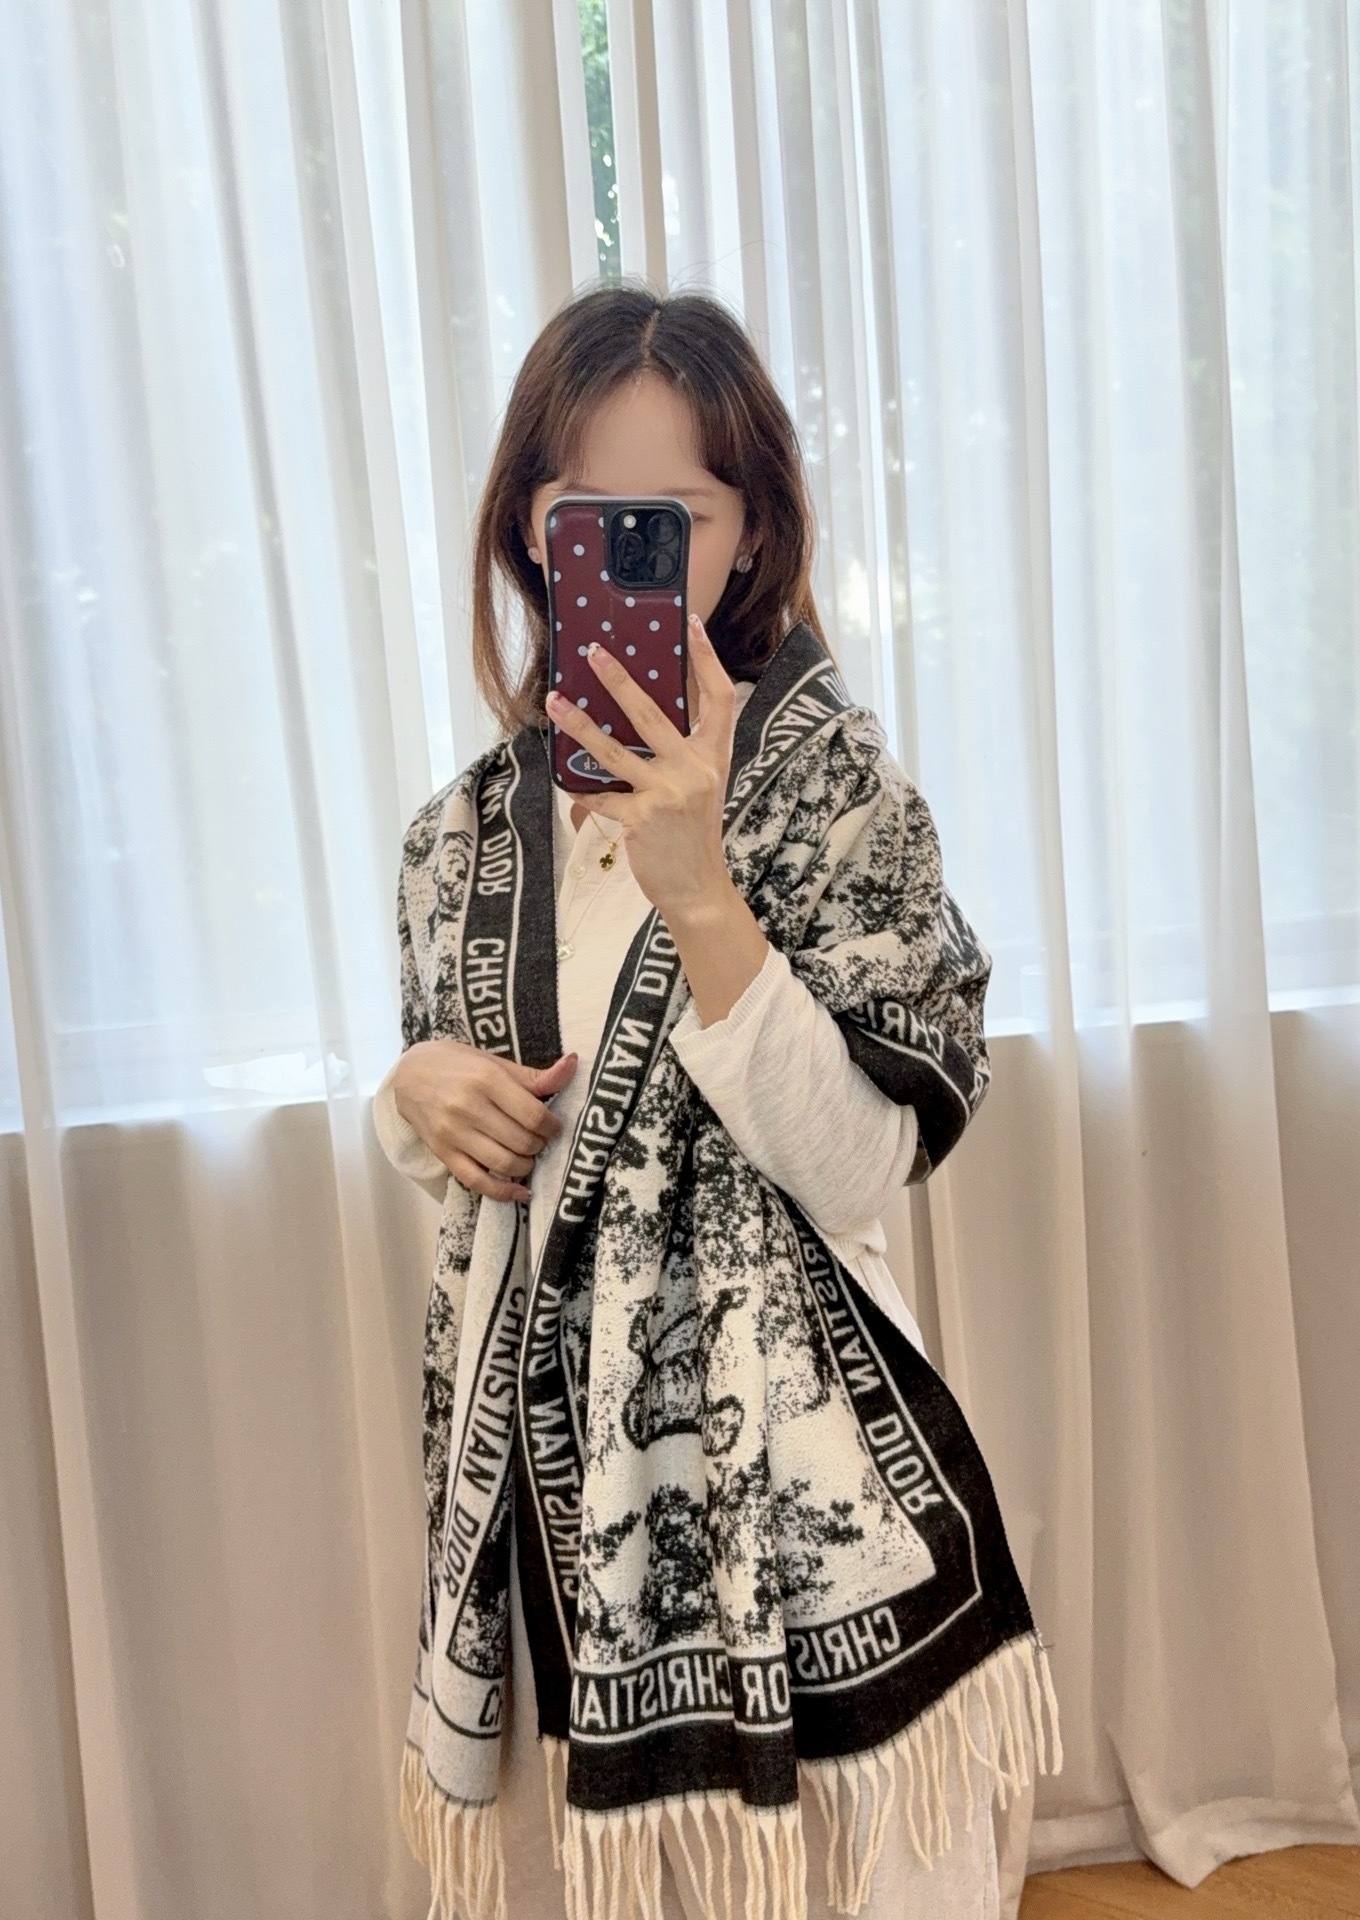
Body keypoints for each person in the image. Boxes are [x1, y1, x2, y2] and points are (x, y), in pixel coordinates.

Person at [373, 286, 1060, 1920]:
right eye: (583, 510)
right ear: (527, 526)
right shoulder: (460, 836)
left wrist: (702, 892)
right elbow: (484, 1147)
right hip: (562, 1502)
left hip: (801, 1492)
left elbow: (862, 1167)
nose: (625, 551)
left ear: (750, 533)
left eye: (672, 515)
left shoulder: (833, 792)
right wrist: (410, 1096)